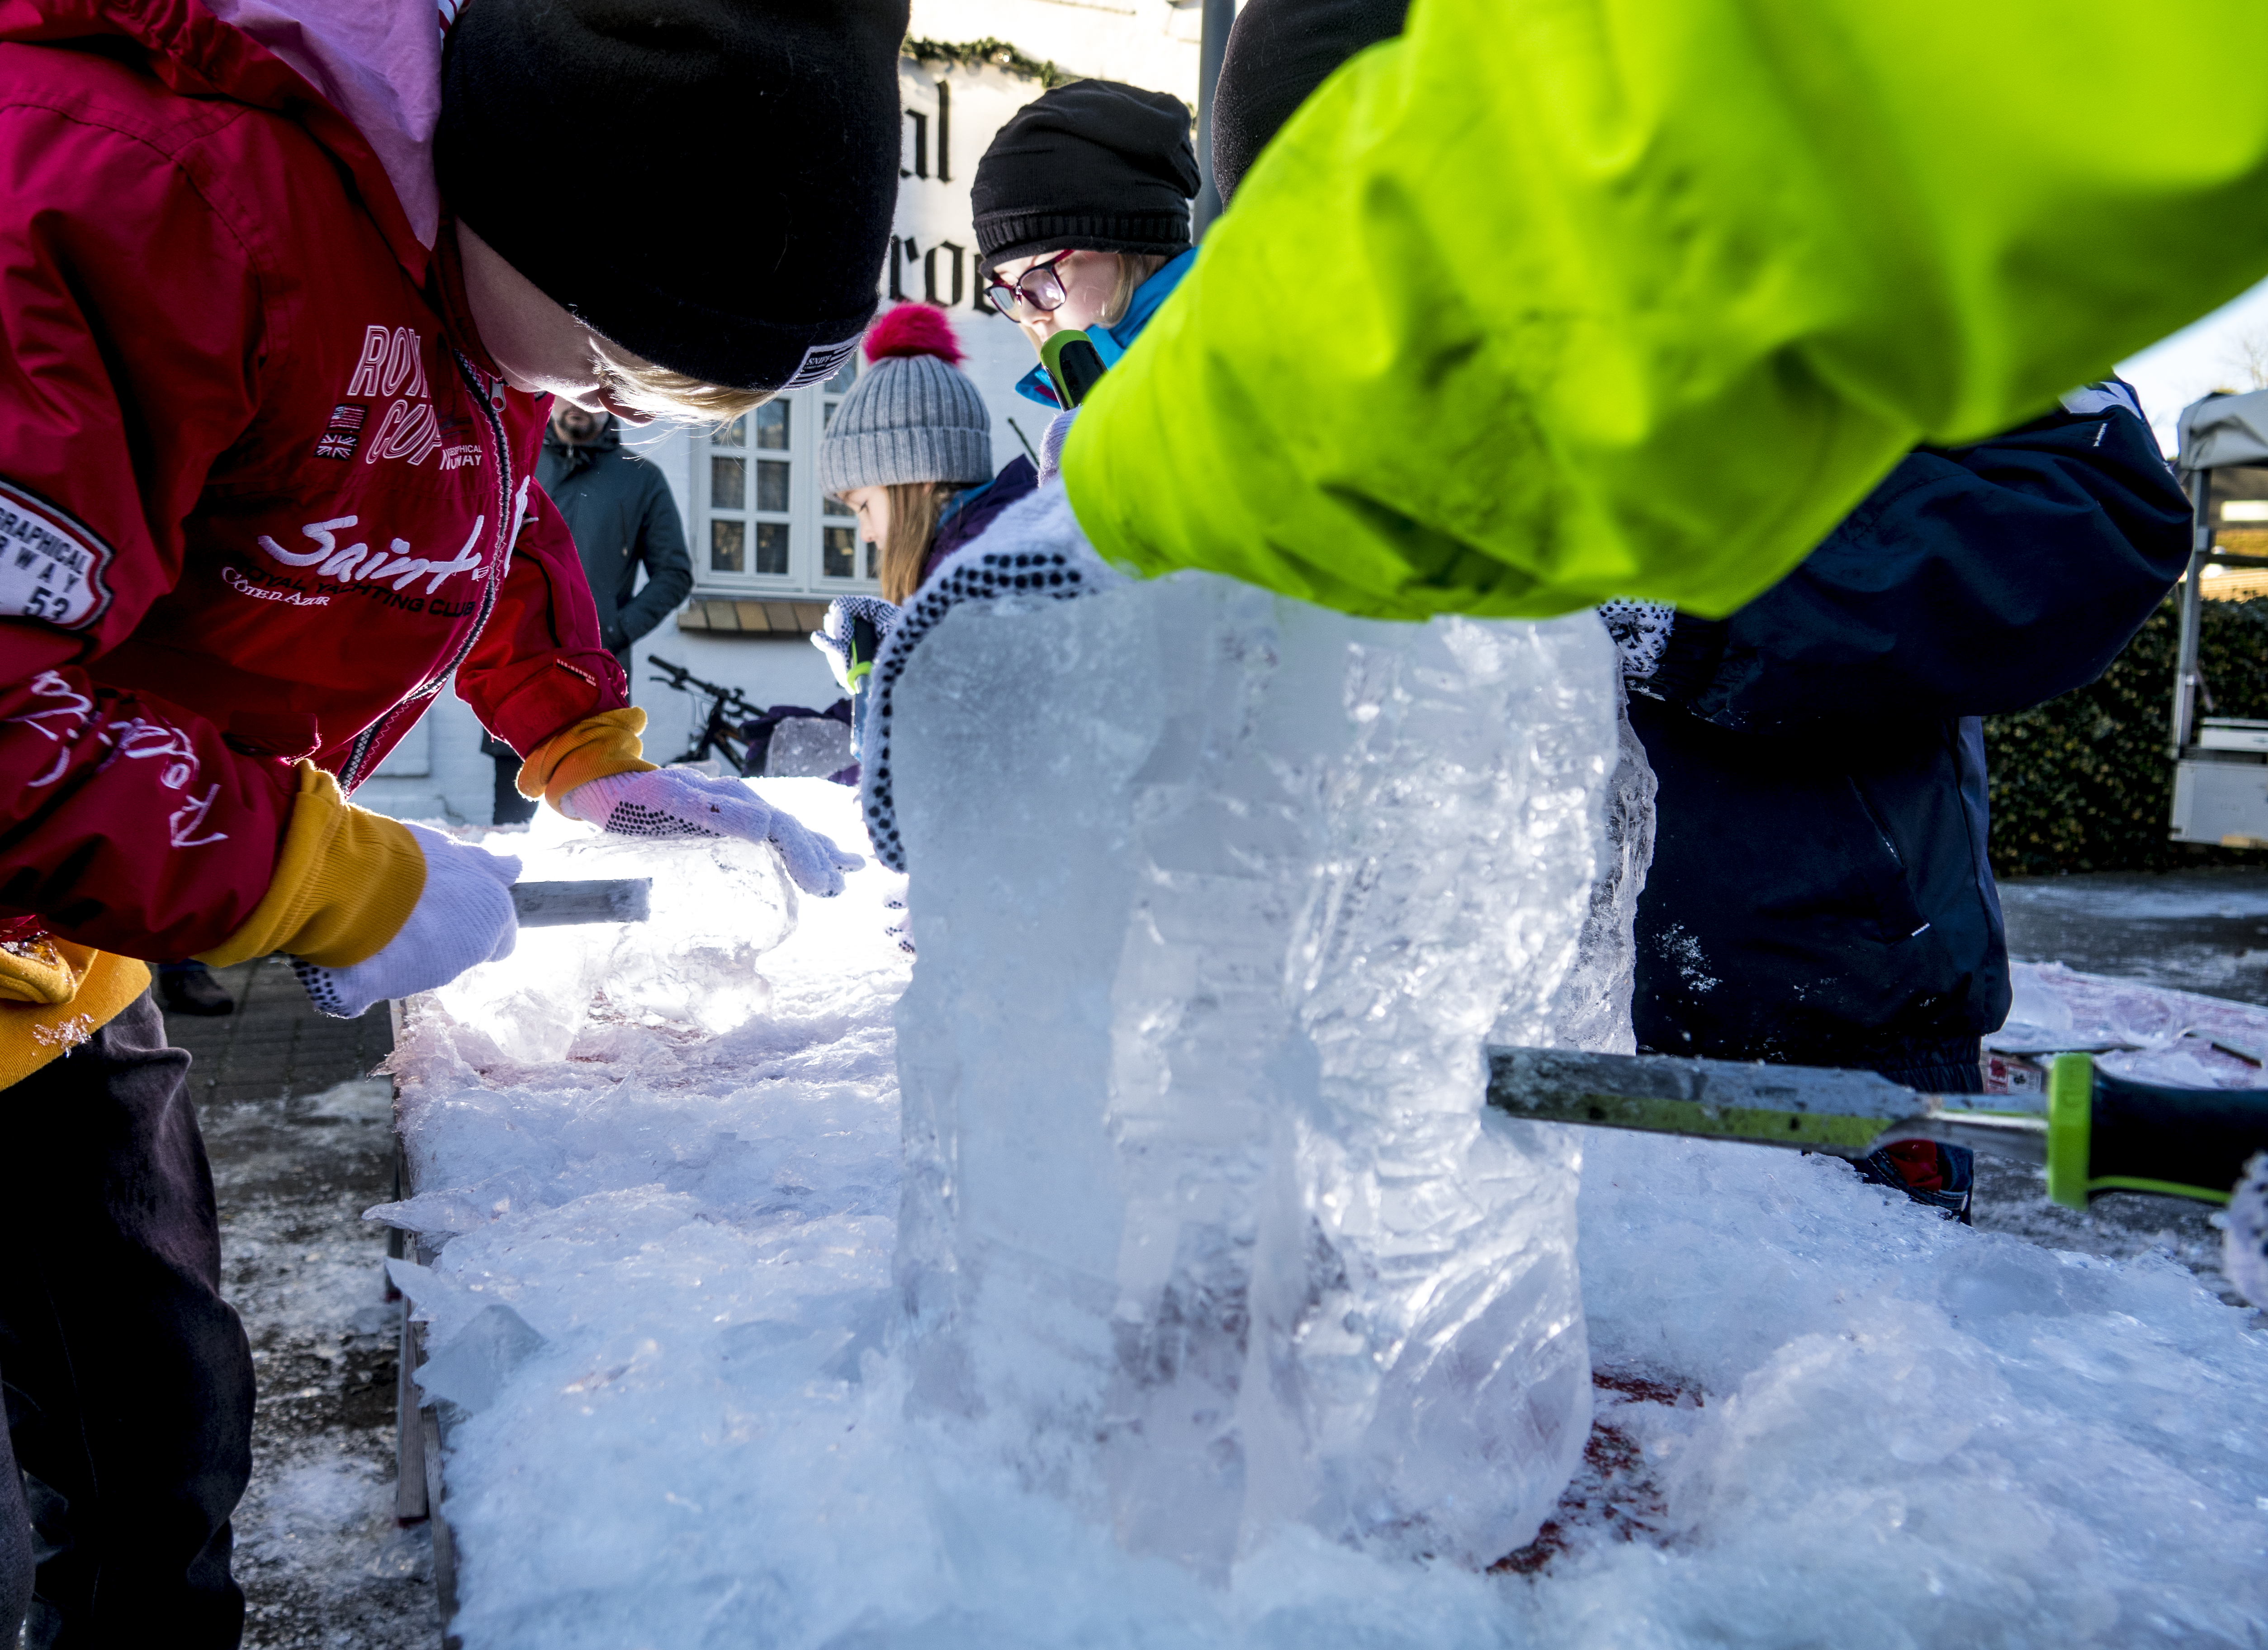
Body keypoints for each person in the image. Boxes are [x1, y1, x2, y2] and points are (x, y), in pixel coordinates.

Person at [0, 0, 900, 1640]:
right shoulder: (140, 204)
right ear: (542, 211)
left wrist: (582, 742)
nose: (607, 414)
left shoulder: (457, 275)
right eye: (627, 365)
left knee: (158, 1449)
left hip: (65, 976)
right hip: (44, 888)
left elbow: (451, 520)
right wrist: (310, 872)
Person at [966, 0, 2268, 632]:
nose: (1027, 321)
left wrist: (1658, 613)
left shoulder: (1816, 235)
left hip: (1807, 978)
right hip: (1561, 995)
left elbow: (2092, 506)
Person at [1616, 381, 2191, 1217]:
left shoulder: (1891, 265)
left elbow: (2095, 506)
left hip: (1816, 1051)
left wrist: (1698, 604)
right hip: (1468, 1035)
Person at [811, 302, 1037, 760]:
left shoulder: (979, 582)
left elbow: (941, 748)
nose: (868, 534)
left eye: (864, 506)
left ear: (919, 478)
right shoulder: (974, 556)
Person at [969, 80, 1201, 474]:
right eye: (1008, 288)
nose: (1028, 317)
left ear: (1125, 244)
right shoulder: (1108, 388)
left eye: (1039, 276)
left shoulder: (1207, 368)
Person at [488, 398, 695, 824]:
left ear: (611, 403)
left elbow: (673, 574)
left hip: (595, 674)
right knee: (511, 820)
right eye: (570, 394)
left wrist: (614, 630)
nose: (578, 406)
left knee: (595, 810)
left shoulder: (642, 479)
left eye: (592, 397)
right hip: (513, 666)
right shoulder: (514, 461)